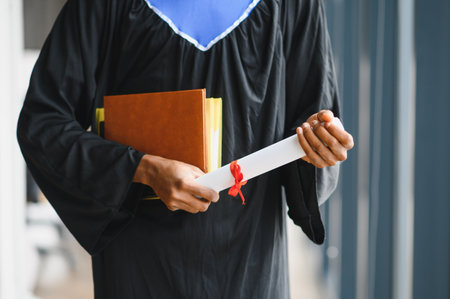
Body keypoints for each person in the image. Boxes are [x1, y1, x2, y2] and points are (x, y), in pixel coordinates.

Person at [17, 0, 353, 298]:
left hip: (249, 263)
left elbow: (311, 124)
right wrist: (143, 168)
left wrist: (318, 147)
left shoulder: (294, 6)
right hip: (139, 268)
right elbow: (43, 125)